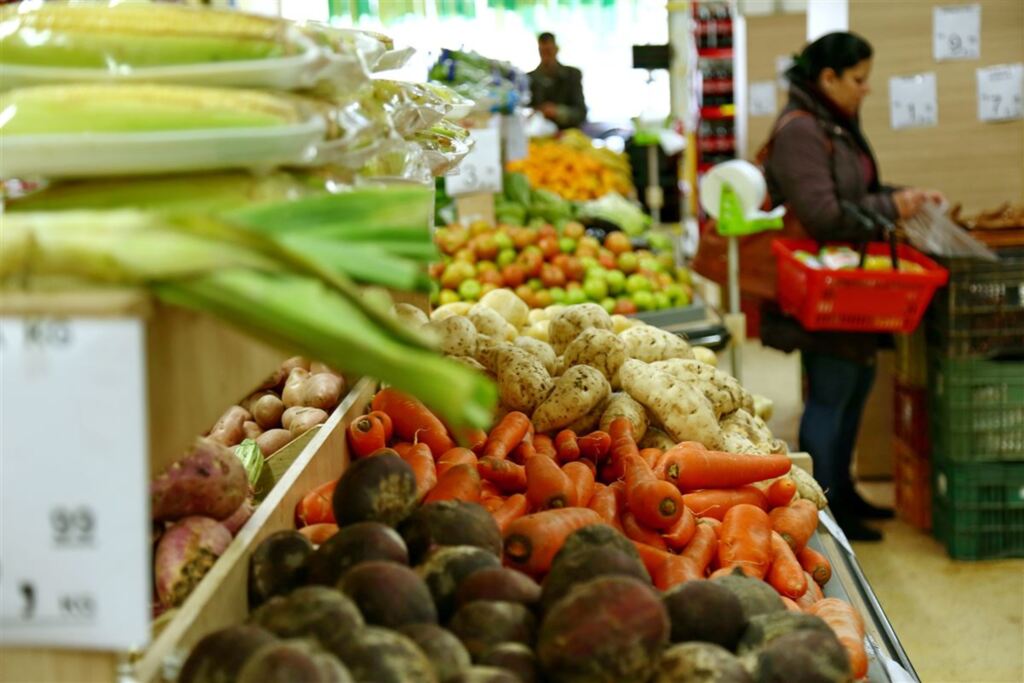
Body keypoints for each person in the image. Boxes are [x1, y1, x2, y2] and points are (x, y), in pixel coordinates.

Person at [759, 32, 942, 541]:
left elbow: (857, 192)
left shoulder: (833, 123)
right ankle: (822, 508)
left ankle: (843, 490)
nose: (866, 89)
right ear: (828, 78)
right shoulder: (801, 131)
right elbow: (823, 212)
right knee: (831, 391)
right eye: (859, 79)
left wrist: (902, 195)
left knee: (856, 383)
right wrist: (891, 207)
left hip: (849, 283)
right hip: (822, 285)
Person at [528, 32, 587, 130]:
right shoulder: (529, 78)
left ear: (556, 49)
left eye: (549, 51)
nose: (546, 56)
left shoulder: (572, 75)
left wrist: (558, 112)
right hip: (538, 133)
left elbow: (581, 113)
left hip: (567, 133)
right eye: (543, 51)